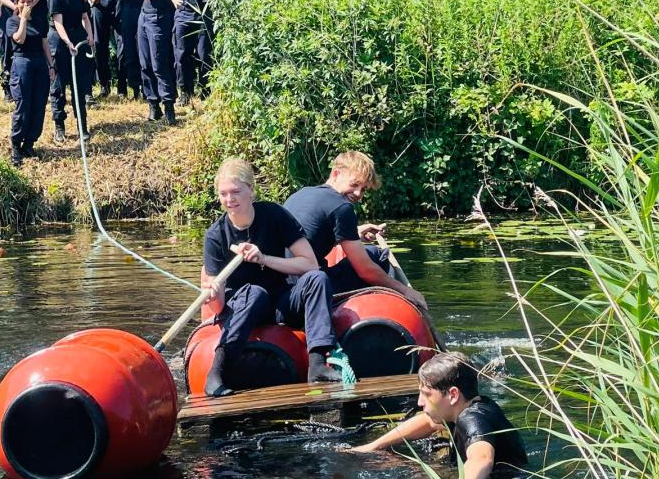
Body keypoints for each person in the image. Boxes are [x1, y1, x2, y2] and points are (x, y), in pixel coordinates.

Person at [201, 158, 341, 397]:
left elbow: (309, 263)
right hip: (244, 306)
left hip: (280, 299)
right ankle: (217, 372)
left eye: (235, 192)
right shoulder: (216, 236)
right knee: (255, 293)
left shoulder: (274, 215)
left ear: (251, 191)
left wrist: (264, 258)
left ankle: (317, 363)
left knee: (317, 278)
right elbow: (218, 306)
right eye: (223, 194)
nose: (229, 199)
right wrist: (213, 293)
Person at [284, 151, 428, 309]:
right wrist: (406, 291)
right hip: (314, 287)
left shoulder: (302, 194)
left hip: (286, 288)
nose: (358, 194)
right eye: (354, 184)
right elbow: (365, 271)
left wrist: (355, 234)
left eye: (364, 189)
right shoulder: (342, 207)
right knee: (375, 255)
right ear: (336, 174)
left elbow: (308, 239)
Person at [350, 352, 529, 478]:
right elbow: (428, 421)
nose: (420, 402)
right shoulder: (468, 407)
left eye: (427, 394)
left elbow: (481, 459)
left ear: (452, 395)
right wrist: (373, 446)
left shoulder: (473, 418)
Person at [6, 0, 55, 166]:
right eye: (22, 2)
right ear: (16, 3)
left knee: (39, 105)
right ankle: (16, 146)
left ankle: (29, 143)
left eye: (28, 2)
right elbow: (19, 39)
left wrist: (51, 65)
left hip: (39, 63)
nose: (26, 5)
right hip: (22, 63)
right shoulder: (12, 21)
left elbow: (45, 44)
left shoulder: (40, 21)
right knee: (23, 105)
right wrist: (24, 19)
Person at [49, 0, 95, 142]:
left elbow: (85, 17)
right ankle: (59, 125)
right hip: (60, 44)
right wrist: (67, 42)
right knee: (59, 87)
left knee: (79, 86)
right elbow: (58, 23)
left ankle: (82, 125)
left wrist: (90, 36)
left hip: (79, 42)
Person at [136, 0, 177, 124]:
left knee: (159, 62)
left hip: (158, 17)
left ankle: (168, 105)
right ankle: (153, 104)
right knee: (145, 62)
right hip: (145, 16)